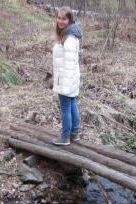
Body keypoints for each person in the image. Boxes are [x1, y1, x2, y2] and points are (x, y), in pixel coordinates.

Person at [52, 7, 82, 146]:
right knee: (71, 104)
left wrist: (65, 84)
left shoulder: (69, 38)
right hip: (69, 78)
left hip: (66, 78)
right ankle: (74, 133)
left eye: (64, 18)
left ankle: (65, 137)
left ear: (69, 20)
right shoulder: (68, 34)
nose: (60, 21)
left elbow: (69, 63)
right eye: (59, 18)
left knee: (66, 107)